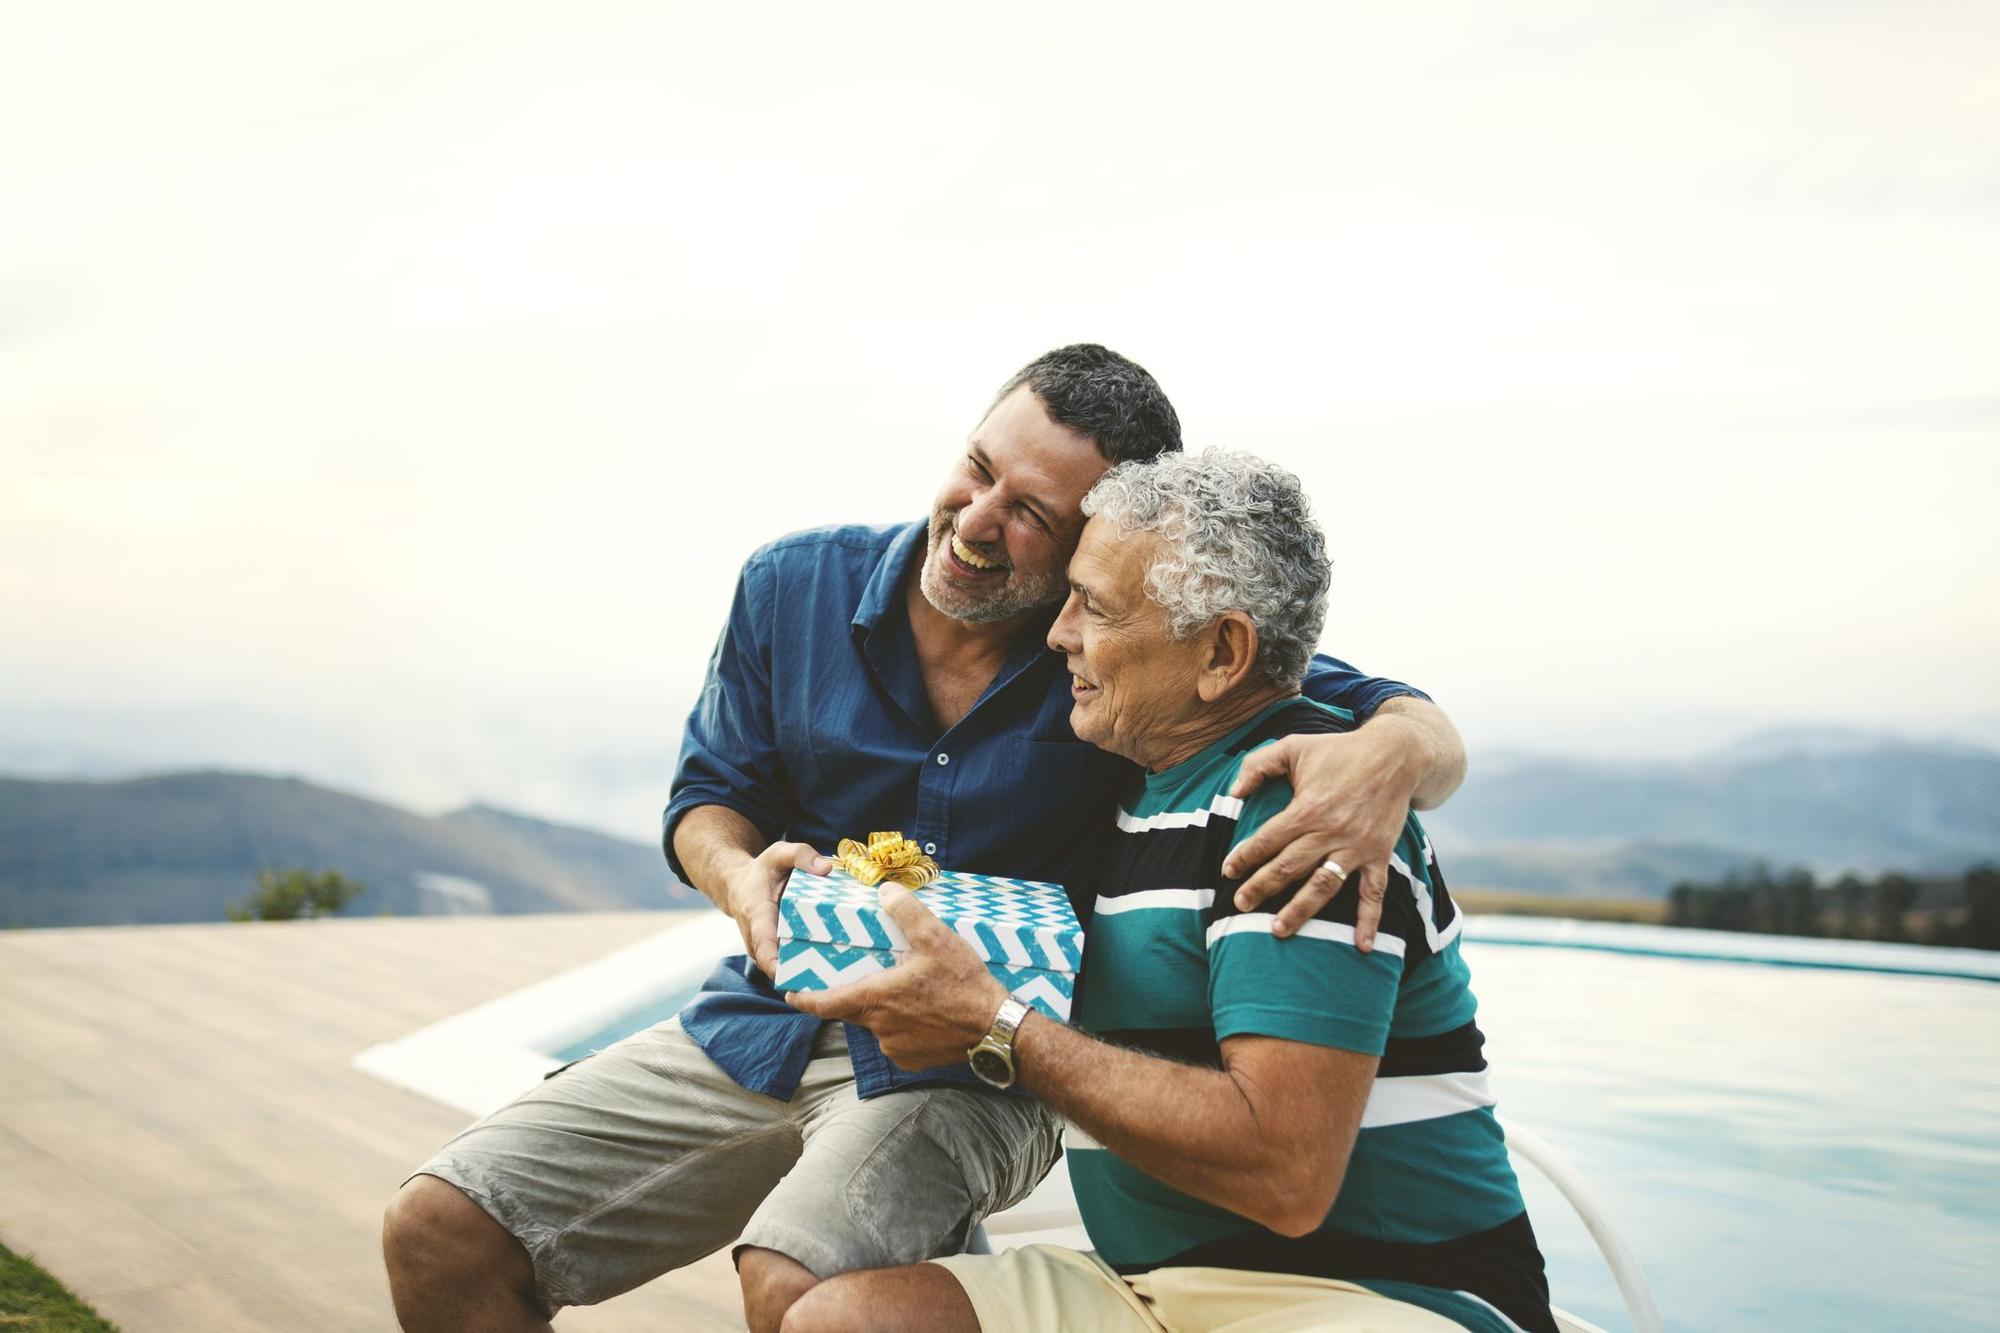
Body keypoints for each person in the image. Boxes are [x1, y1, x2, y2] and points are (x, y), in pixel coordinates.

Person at [381, 346, 1469, 1333]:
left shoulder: (1123, 647)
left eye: (1033, 513)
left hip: (979, 1060)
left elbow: (1301, 685)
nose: (977, 518)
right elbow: (709, 796)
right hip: (770, 1011)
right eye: (976, 465)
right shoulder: (788, 585)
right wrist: (738, 879)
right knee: (438, 1227)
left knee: (800, 1281)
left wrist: (1393, 753)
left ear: (1100, 539)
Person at [782, 451, 1553, 1333]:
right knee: (839, 1321)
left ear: (1223, 653)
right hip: (1151, 1290)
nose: (1057, 632)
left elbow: (1285, 1172)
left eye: (1096, 607)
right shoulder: (1123, 781)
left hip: (1380, 1299)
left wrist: (1001, 1027)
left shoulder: (1298, 810)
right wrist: (839, 886)